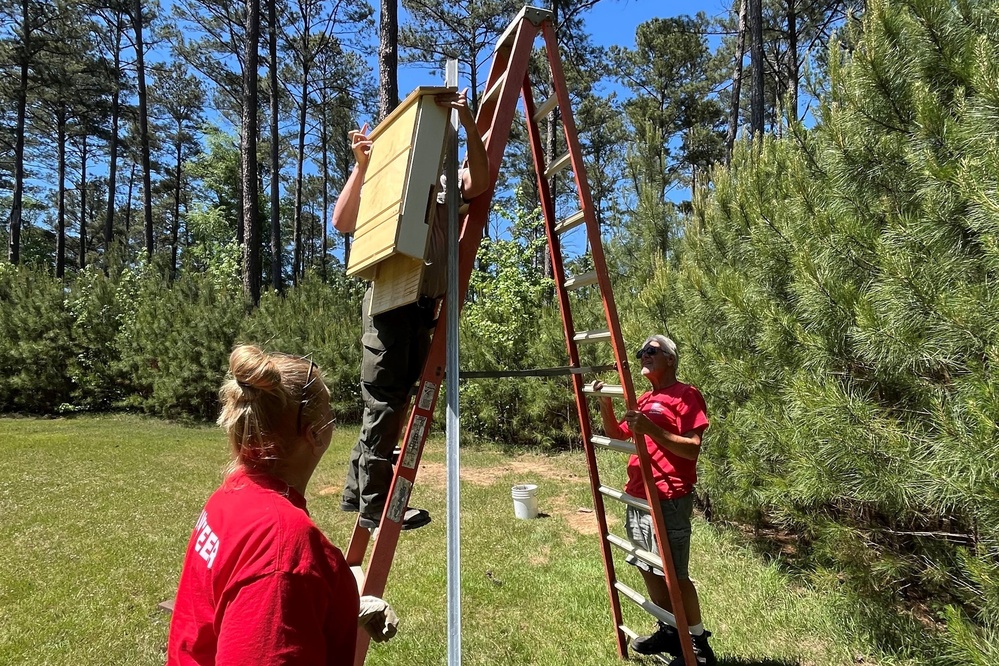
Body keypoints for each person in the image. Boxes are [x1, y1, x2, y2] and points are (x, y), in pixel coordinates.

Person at [166, 345, 398, 666]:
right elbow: (273, 592)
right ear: (314, 434)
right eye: (330, 411)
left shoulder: (233, 496)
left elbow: (246, 606)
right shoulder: (284, 547)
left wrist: (342, 607)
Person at [334, 88, 489, 531]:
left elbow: (478, 180)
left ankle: (356, 495)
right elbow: (343, 221)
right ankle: (375, 508)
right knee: (384, 404)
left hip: (422, 308)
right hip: (388, 305)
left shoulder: (445, 179)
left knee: (390, 404)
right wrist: (361, 167)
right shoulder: (384, 175)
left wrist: (470, 124)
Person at [593, 335, 716, 666]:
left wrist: (651, 429)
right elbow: (619, 434)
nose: (643, 356)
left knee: (675, 574)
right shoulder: (645, 399)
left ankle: (699, 645)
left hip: (668, 495)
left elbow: (691, 447)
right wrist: (606, 403)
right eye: (641, 352)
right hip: (638, 494)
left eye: (652, 351)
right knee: (647, 566)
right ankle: (670, 629)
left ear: (671, 359)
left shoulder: (686, 395)